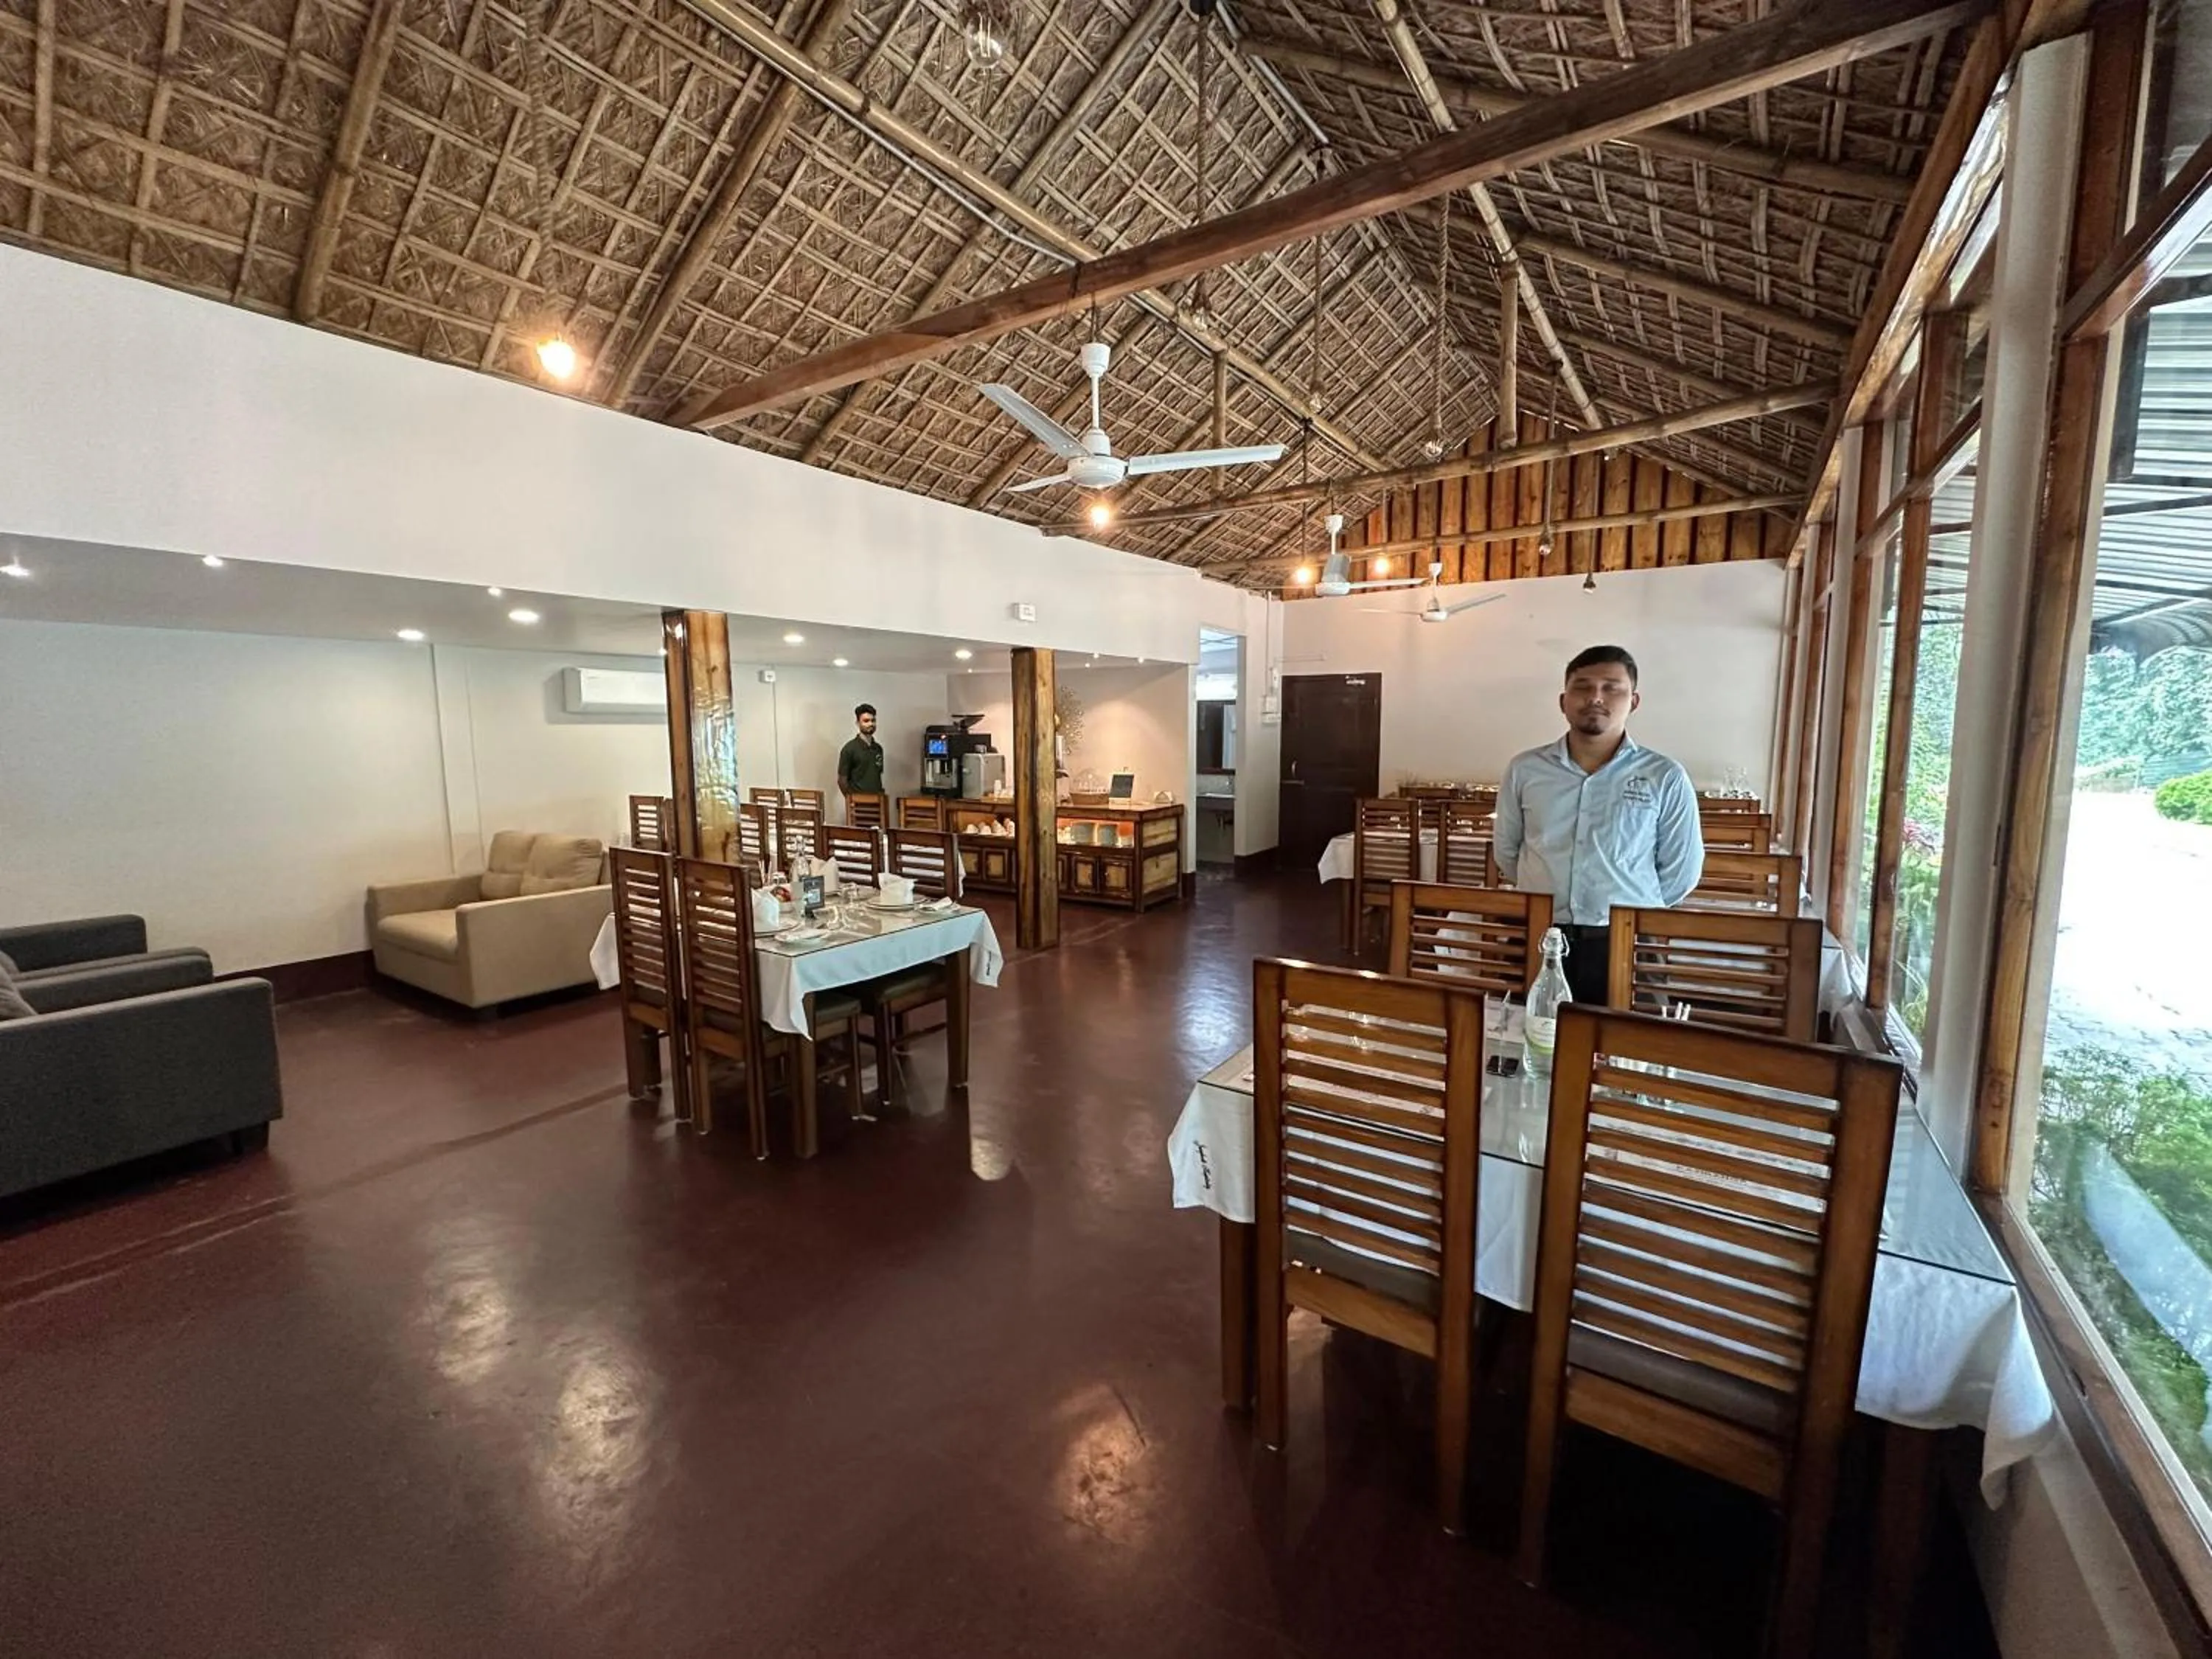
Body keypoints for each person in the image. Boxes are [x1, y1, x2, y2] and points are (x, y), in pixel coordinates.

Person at [1492, 645, 1704, 1007]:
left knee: (1634, 1039)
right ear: (1563, 701)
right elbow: (1507, 852)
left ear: (1634, 701)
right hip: (1539, 936)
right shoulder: (1525, 770)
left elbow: (1681, 871)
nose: (1596, 697)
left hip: (1628, 942)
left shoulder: (1664, 776)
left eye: (1611, 688)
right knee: (1525, 1036)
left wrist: (1627, 910)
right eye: (1583, 687)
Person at [837, 703, 885, 804]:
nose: (871, 724)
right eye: (866, 721)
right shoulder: (849, 749)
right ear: (858, 723)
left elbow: (877, 776)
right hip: (858, 804)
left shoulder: (878, 749)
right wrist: (851, 801)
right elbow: (842, 781)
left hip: (877, 803)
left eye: (873, 721)